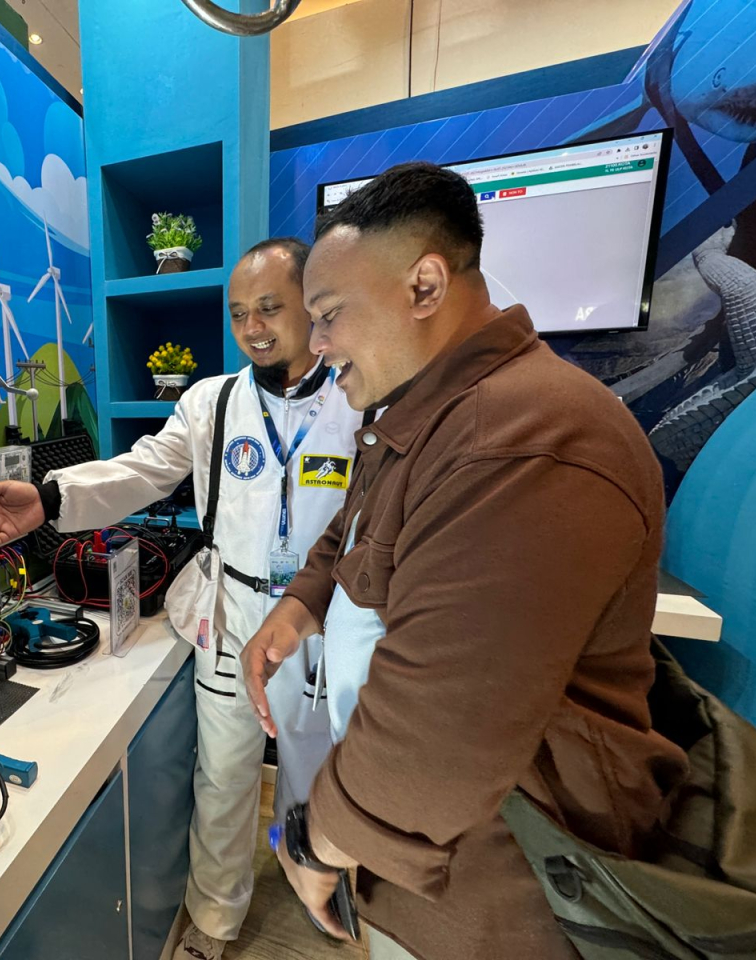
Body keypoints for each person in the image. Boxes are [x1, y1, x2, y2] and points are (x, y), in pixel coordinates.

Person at [242, 164, 689, 959]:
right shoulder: (429, 418)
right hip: (418, 866)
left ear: (424, 286)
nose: (319, 345)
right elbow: (357, 523)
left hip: (493, 890)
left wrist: (316, 843)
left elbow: (438, 730)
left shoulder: (519, 436)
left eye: (330, 316)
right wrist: (302, 602)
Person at [0, 238, 365, 960]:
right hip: (233, 615)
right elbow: (142, 470)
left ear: (310, 304)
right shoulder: (212, 402)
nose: (253, 327)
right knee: (225, 779)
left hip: (322, 621)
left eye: (270, 307)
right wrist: (49, 498)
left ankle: (313, 875)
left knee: (318, 772)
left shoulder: (356, 397)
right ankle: (214, 923)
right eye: (238, 313)